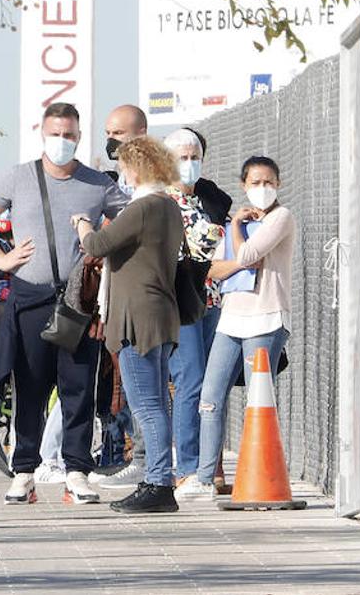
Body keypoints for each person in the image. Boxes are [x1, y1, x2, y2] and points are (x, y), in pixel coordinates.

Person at [0, 102, 128, 506]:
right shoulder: (18, 177)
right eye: (56, 134)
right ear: (43, 133)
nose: (62, 142)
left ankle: (76, 471)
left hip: (78, 301)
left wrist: (103, 252)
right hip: (29, 296)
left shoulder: (96, 184)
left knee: (78, 387)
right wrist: (0, 259)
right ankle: (24, 472)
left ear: (79, 137)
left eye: (69, 135)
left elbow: (131, 221)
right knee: (30, 387)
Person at [75, 137, 184, 513]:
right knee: (157, 402)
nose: (122, 172)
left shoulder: (143, 208)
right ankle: (158, 480)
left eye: (124, 166)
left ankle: (158, 484)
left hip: (136, 317)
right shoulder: (168, 206)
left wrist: (82, 225)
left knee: (146, 405)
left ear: (136, 168)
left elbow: (97, 245)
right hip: (159, 312)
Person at [178, 156, 296, 500]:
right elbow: (212, 270)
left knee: (258, 402)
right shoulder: (238, 222)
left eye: (269, 181)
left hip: (266, 317)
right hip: (232, 317)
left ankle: (256, 474)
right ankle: (204, 477)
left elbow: (247, 257)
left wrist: (235, 234)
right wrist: (236, 240)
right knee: (210, 399)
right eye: (256, 182)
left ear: (278, 183)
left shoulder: (281, 217)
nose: (263, 188)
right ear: (244, 185)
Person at [162, 129, 228, 490]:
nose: (189, 164)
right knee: (190, 379)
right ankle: (187, 465)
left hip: (212, 298)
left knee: (213, 384)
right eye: (182, 157)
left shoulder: (207, 199)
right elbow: (193, 248)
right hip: (179, 301)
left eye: (194, 157)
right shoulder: (161, 201)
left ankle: (210, 465)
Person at [93, 103, 151, 490]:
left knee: (147, 390)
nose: (112, 141)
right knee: (115, 388)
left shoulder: (155, 185)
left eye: (120, 134)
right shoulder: (107, 183)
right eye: (109, 133)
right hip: (112, 298)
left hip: (146, 300)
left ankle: (149, 463)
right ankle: (118, 453)